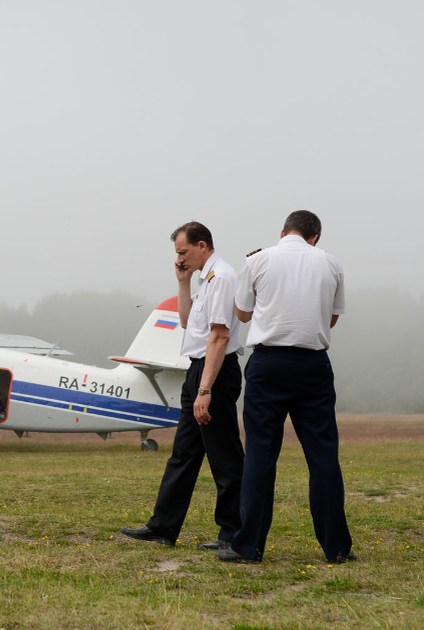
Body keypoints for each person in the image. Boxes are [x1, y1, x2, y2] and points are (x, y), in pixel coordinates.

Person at [217, 210, 354, 564]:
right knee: (323, 457)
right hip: (313, 365)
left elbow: (243, 315)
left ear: (283, 232)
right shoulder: (332, 264)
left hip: (268, 365)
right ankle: (336, 548)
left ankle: (248, 547)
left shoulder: (259, 260)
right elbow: (332, 318)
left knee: (261, 455)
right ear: (315, 238)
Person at [120, 221, 244, 549]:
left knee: (224, 456)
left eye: (183, 252)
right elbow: (189, 322)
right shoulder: (204, 279)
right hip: (197, 370)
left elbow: (220, 337)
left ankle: (234, 534)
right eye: (177, 253)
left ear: (202, 245)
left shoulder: (222, 278)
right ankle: (163, 527)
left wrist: (205, 390)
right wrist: (183, 282)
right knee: (183, 454)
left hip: (213, 372)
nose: (180, 258)